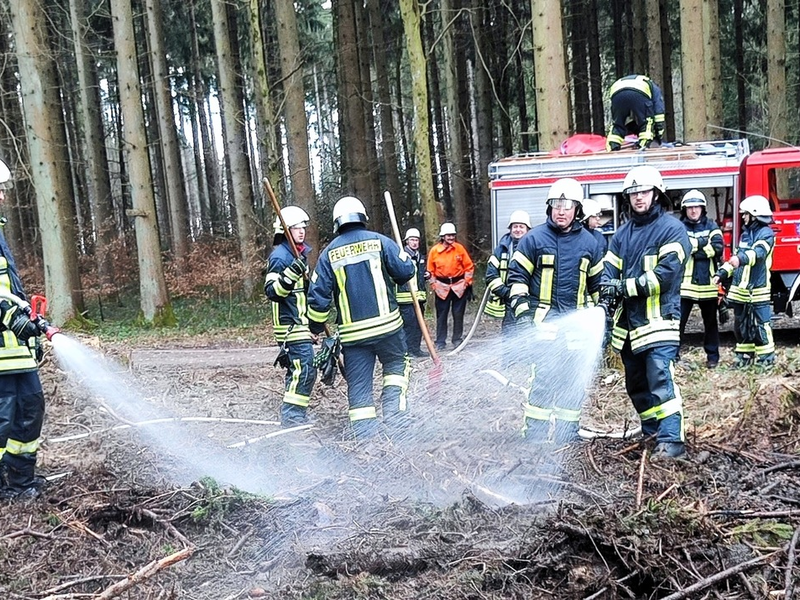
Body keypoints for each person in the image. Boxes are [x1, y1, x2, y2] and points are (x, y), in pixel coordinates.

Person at [599, 165, 691, 461]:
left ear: (657, 194)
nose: (639, 197)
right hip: (628, 326)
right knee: (636, 384)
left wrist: (623, 288)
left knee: (660, 378)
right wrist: (606, 295)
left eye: (644, 191)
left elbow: (665, 275)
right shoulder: (622, 234)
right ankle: (651, 431)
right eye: (633, 193)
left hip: (659, 321)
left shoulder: (672, 230)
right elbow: (608, 271)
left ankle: (671, 440)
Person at [307, 196, 415, 438]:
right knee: (397, 366)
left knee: (359, 388)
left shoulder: (328, 254)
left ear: (337, 223)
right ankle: (395, 415)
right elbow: (405, 271)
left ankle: (366, 440)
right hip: (389, 329)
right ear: (362, 217)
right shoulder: (380, 242)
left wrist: (315, 325)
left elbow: (317, 298)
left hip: (354, 338)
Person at [506, 179, 604, 443]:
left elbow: (598, 287)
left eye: (567, 206)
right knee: (544, 381)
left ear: (577, 210)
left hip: (578, 331)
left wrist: (603, 317)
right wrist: (523, 312)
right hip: (544, 327)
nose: (561, 211)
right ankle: (535, 435)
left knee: (573, 383)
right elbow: (517, 279)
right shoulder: (533, 239)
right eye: (556, 205)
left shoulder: (591, 243)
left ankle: (566, 433)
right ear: (549, 208)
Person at [0, 159, 48, 500]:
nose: (3, 197)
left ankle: (20, 482)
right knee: (2, 421)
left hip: (14, 351)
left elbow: (8, 292)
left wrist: (30, 326)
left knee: (30, 408)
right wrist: (10, 318)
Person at [264, 206, 317, 427]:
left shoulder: (298, 255)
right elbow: (272, 291)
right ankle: (292, 416)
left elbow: (304, 294)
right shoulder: (280, 257)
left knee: (301, 369)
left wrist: (312, 326)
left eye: (303, 227)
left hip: (300, 325)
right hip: (289, 326)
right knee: (304, 369)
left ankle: (295, 415)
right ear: (285, 230)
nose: (301, 231)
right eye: (296, 227)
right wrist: (291, 273)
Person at [713, 195, 775, 368]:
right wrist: (722, 273)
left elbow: (759, 253)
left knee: (762, 325)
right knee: (741, 326)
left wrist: (740, 259)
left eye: (745, 214)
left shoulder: (766, 234)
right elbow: (735, 261)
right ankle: (744, 357)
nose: (742, 217)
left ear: (754, 215)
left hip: (757, 289)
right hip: (740, 290)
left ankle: (766, 360)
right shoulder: (746, 235)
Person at [678, 190, 723, 369]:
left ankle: (713, 358)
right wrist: (703, 244)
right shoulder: (679, 228)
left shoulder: (712, 226)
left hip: (708, 286)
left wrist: (694, 248)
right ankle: (674, 356)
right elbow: (681, 249)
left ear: (703, 208)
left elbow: (718, 248)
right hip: (685, 287)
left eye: (696, 207)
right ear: (685, 210)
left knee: (711, 324)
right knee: (677, 324)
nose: (693, 211)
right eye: (690, 208)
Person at [426, 222, 474, 351]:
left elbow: (469, 267)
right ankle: (440, 341)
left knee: (458, 314)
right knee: (442, 315)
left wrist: (467, 283)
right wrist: (434, 284)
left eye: (453, 235)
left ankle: (457, 339)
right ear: (443, 236)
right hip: (442, 286)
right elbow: (430, 271)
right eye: (448, 235)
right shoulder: (434, 251)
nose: (451, 238)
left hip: (459, 286)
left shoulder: (459, 249)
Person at [485, 210, 531, 326]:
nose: (518, 229)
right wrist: (506, 293)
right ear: (510, 229)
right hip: (509, 301)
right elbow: (491, 275)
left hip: (529, 300)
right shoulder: (501, 249)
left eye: (521, 227)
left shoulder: (534, 247)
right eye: (515, 226)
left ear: (528, 230)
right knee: (509, 334)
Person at [606, 74, 665, 151]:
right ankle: (644, 146)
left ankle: (612, 147)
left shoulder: (644, 82)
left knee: (617, 124)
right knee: (647, 122)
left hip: (616, 91)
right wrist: (659, 133)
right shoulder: (654, 88)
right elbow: (659, 112)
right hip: (639, 91)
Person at [396, 228, 428, 357]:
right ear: (407, 241)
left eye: (416, 240)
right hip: (406, 298)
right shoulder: (402, 256)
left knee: (418, 325)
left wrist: (426, 275)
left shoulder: (420, 256)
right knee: (409, 326)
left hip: (419, 297)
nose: (414, 242)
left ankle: (416, 349)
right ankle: (408, 351)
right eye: (412, 240)